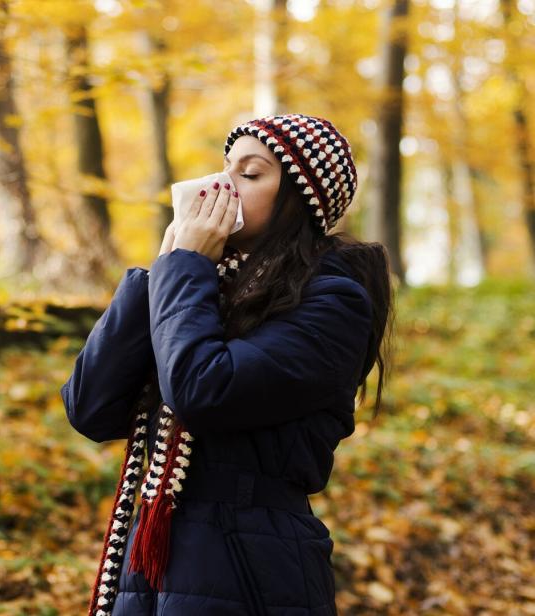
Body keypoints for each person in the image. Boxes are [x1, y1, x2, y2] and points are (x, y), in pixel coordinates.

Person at [61, 113, 394, 616]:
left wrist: (184, 272)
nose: (221, 186)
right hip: (154, 561)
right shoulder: (201, 288)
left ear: (300, 200)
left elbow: (201, 389)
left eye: (250, 173)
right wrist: (164, 268)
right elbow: (90, 408)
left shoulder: (333, 303)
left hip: (252, 568)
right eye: (225, 168)